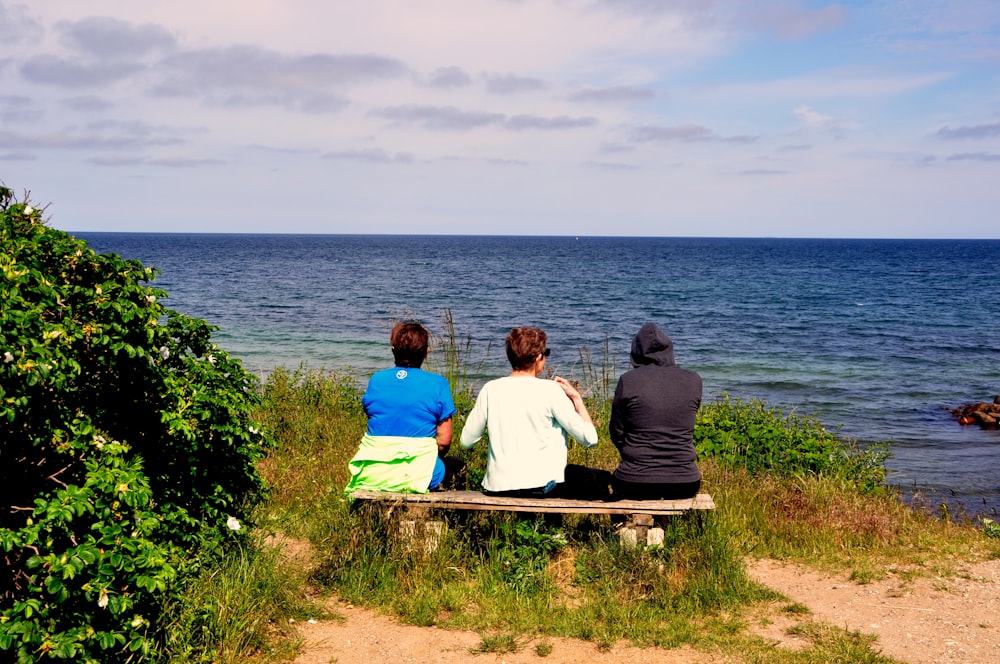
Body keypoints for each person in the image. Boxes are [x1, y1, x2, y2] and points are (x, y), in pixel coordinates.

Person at [460, 326, 611, 499]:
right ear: (538, 358)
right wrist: (577, 399)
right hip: (542, 487)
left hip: (498, 486)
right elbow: (590, 439)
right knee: (596, 477)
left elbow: (466, 441)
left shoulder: (490, 389)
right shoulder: (551, 390)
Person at [345, 321, 462, 494]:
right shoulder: (438, 384)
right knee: (458, 465)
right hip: (423, 475)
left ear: (393, 351)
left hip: (373, 473)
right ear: (425, 352)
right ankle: (446, 518)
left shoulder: (377, 381)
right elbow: (444, 442)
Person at [610, 322, 702, 500]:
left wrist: (635, 454)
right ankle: (662, 526)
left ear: (636, 353)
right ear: (669, 350)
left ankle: (626, 525)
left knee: (618, 484)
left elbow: (616, 431)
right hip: (686, 482)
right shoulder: (694, 380)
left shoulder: (628, 380)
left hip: (634, 481)